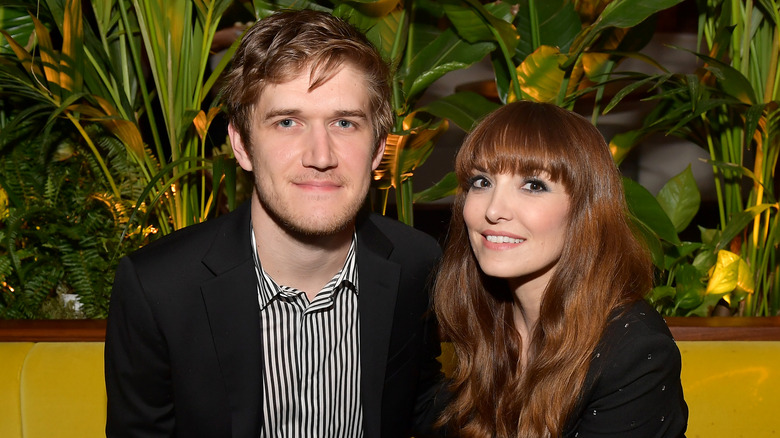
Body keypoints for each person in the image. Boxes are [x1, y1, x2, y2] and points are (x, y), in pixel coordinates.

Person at [105, 10, 446, 438]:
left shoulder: (417, 263)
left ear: (378, 148)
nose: (320, 155)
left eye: (344, 122)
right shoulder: (159, 288)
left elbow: (423, 401)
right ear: (242, 146)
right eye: (287, 122)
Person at [433, 101, 688, 437]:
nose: (493, 209)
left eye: (533, 186)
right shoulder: (480, 318)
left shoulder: (632, 351)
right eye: (482, 182)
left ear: (585, 211)